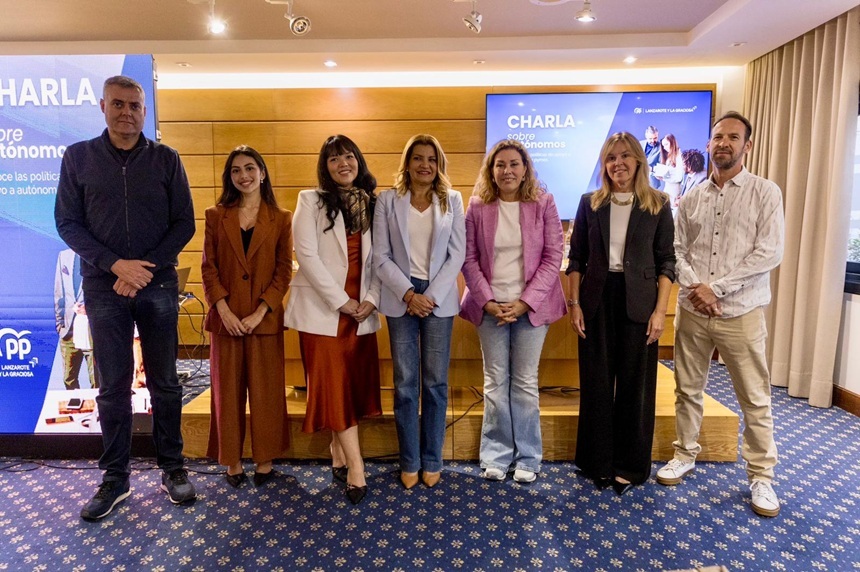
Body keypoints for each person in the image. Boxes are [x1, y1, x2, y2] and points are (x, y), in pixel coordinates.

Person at [55, 75, 196, 521]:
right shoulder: (78, 157)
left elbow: (184, 223)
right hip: (104, 288)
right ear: (103, 106)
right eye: (118, 104)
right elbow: (67, 223)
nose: (126, 113)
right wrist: (116, 265)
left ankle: (173, 468)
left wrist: (142, 269)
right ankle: (115, 478)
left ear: (144, 111)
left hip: (157, 284)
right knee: (113, 387)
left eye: (135, 106)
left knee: (165, 382)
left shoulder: (166, 159)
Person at [656, 111, 785, 518]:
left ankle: (761, 476)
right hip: (693, 312)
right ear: (708, 144)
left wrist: (718, 289)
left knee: (754, 398)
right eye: (718, 137)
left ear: (747, 145)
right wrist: (698, 288)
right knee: (687, 389)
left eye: (733, 137)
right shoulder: (693, 195)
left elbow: (768, 253)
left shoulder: (765, 192)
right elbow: (677, 249)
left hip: (741, 312)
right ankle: (684, 454)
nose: (724, 143)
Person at [566, 132, 675, 495]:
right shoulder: (590, 203)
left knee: (634, 388)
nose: (618, 163)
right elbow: (577, 258)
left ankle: (629, 466)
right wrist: (575, 304)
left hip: (640, 303)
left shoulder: (658, 203)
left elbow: (667, 262)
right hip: (596, 301)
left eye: (625, 156)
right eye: (611, 157)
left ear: (639, 160)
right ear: (604, 164)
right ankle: (596, 461)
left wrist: (660, 312)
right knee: (596, 385)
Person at [460, 139, 566, 484]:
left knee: (524, 382)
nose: (507, 170)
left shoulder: (543, 203)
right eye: (500, 164)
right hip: (489, 306)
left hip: (530, 308)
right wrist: (488, 301)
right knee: (495, 381)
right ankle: (496, 455)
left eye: (514, 164)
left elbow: (553, 257)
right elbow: (468, 258)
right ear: (491, 170)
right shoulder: (477, 206)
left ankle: (528, 458)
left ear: (525, 169)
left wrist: (523, 302)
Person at [283, 135, 381, 505]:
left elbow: (381, 258)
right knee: (334, 387)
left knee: (349, 387)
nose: (343, 164)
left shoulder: (373, 202)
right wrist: (342, 302)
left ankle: (338, 454)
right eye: (334, 159)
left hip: (362, 311)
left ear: (359, 161)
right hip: (324, 313)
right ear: (325, 167)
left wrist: (371, 299)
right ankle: (356, 467)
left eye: (349, 156)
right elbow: (306, 256)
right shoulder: (310, 200)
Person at [373, 134, 466, 489]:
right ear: (407, 163)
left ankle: (432, 459)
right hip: (401, 297)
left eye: (431, 159)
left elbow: (457, 254)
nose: (425, 165)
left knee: (435, 383)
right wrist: (409, 294)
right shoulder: (387, 200)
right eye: (418, 158)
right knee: (405, 383)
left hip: (439, 299)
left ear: (439, 164)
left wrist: (431, 295)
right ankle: (409, 460)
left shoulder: (452, 200)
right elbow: (380, 255)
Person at [202, 145, 293, 489]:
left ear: (263, 173)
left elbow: (283, 271)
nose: (244, 175)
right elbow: (208, 268)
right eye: (236, 170)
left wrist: (261, 311)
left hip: (263, 320)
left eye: (250, 168)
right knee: (227, 394)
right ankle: (233, 461)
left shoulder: (281, 218)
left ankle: (265, 459)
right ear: (230, 177)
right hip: (225, 320)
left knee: (267, 394)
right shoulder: (215, 215)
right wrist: (223, 310)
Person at [54, 248, 100, 390]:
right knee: (68, 379)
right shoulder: (64, 255)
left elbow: (108, 290)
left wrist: (90, 308)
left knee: (96, 380)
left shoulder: (98, 254)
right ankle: (74, 404)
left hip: (92, 329)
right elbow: (59, 291)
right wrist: (60, 324)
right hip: (68, 330)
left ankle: (97, 405)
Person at [656, 133, 684, 206]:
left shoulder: (679, 157)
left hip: (675, 191)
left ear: (672, 143)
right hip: (668, 189)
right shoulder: (669, 157)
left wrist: (664, 178)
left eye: (666, 144)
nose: (664, 147)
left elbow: (679, 177)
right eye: (663, 146)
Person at [640, 126, 663, 191]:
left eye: (655, 138)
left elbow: (662, 165)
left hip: (652, 182)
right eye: (650, 138)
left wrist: (652, 169)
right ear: (646, 136)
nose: (653, 141)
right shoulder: (639, 144)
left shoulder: (662, 147)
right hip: (638, 179)